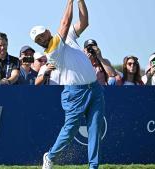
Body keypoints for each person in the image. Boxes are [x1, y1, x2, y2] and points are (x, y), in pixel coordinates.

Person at [30, 0, 104, 168]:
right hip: (74, 93)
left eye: (42, 34)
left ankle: (94, 166)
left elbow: (84, 22)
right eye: (38, 39)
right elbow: (64, 23)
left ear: (48, 31)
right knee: (70, 130)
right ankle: (50, 156)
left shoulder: (65, 36)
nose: (41, 38)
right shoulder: (52, 50)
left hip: (94, 89)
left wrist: (80, 1)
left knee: (94, 129)